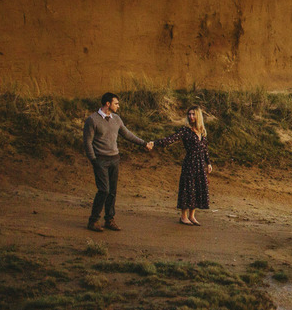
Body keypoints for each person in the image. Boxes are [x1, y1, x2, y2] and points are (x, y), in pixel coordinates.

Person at [83, 92, 153, 232]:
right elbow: (87, 142)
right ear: (108, 104)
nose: (118, 106)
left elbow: (127, 134)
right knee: (104, 190)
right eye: (116, 103)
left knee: (112, 192)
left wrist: (143, 143)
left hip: (114, 159)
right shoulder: (92, 120)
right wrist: (93, 160)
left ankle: (109, 219)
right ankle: (93, 220)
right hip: (100, 160)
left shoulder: (117, 119)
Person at [154, 106, 212, 226]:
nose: (191, 117)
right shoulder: (185, 131)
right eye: (189, 114)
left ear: (198, 116)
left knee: (197, 188)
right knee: (188, 189)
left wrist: (209, 163)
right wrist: (154, 143)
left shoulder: (202, 131)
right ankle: (183, 216)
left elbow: (205, 149)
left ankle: (192, 215)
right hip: (190, 163)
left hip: (200, 164)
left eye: (193, 114)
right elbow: (170, 139)